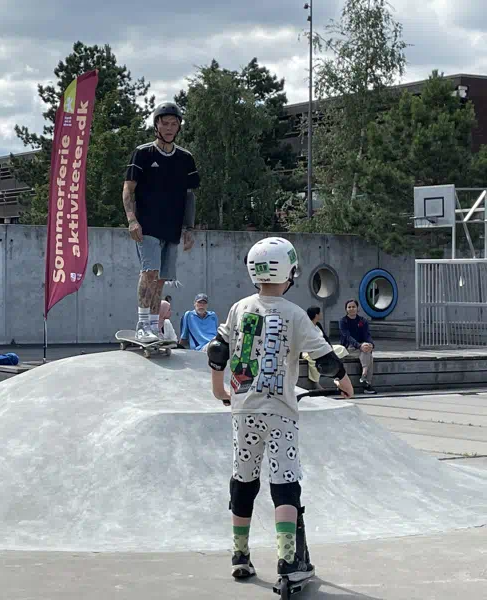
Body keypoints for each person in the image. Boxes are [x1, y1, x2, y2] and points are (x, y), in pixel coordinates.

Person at [206, 237, 354, 584]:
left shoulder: (239, 308)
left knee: (243, 481)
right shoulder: (295, 314)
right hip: (280, 413)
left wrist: (218, 389)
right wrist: (345, 382)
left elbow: (217, 349)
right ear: (290, 273)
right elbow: (326, 360)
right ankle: (287, 561)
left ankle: (240, 555)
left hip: (244, 412)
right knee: (285, 484)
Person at [123, 101, 200, 342]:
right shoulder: (143, 153)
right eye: (165, 123)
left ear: (179, 127)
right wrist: (132, 220)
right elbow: (128, 189)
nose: (169, 128)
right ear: (156, 125)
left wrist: (189, 228)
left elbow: (189, 195)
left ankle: (154, 326)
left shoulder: (185, 158)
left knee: (162, 279)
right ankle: (142, 323)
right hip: (147, 226)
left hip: (172, 227)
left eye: (173, 124)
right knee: (149, 272)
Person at [302, 306, 348, 389]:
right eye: (320, 313)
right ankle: (315, 382)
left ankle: (338, 374)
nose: (321, 314)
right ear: (316, 315)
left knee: (341, 349)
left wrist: (330, 347)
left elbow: (325, 338)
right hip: (310, 350)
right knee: (312, 360)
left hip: (323, 348)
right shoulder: (306, 326)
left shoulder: (318, 324)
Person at [339, 299, 377, 394]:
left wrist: (371, 344)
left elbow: (367, 335)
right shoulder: (343, 321)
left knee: (366, 350)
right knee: (367, 354)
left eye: (353, 307)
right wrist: (360, 346)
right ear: (346, 309)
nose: (351, 309)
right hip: (349, 348)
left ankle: (364, 373)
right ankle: (367, 383)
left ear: (357, 308)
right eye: (349, 307)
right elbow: (347, 337)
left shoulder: (362, 321)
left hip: (362, 347)